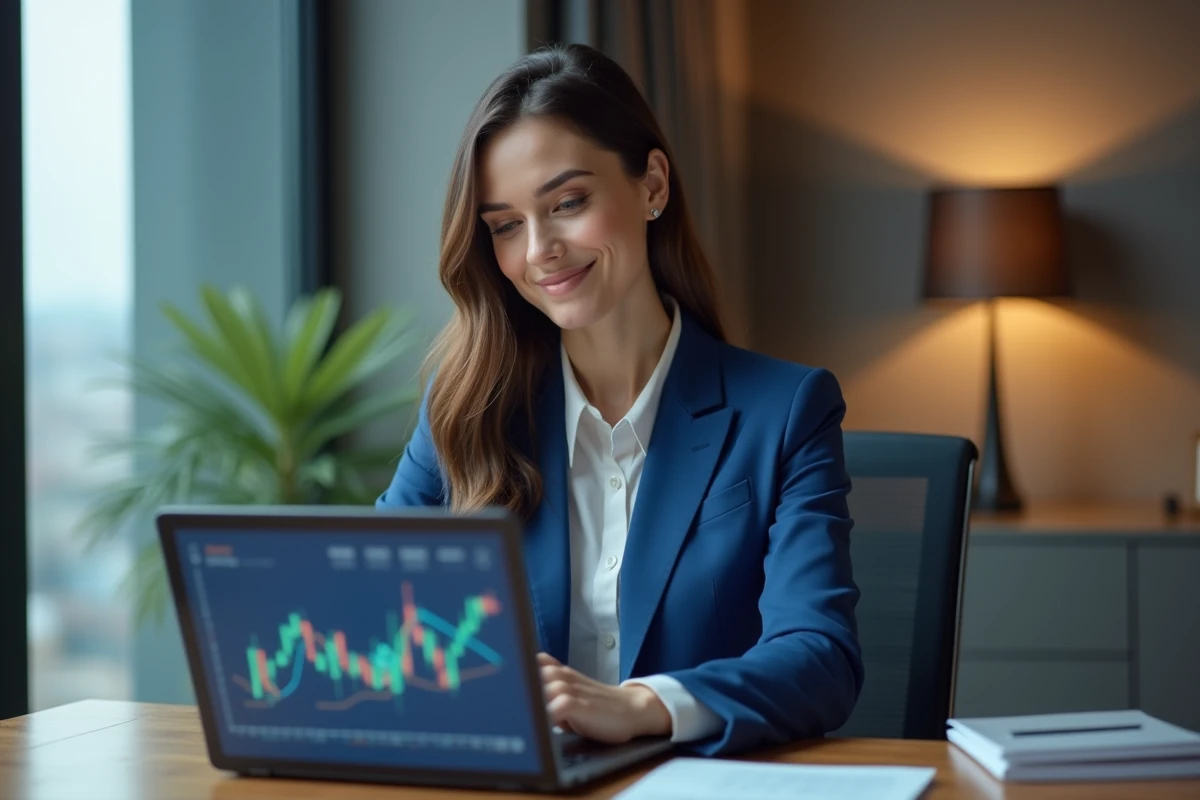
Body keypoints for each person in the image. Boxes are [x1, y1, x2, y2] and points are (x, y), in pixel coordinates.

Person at [377, 43, 862, 757]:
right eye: (506, 225)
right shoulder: (465, 410)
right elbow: (374, 615)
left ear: (652, 185)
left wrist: (641, 706)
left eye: (568, 203)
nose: (539, 250)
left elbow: (820, 656)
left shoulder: (787, 411)